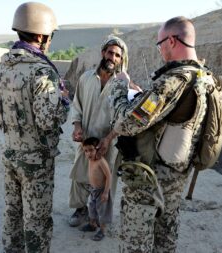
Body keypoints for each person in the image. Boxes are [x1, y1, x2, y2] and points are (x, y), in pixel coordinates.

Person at [110, 16, 215, 252]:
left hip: (151, 178)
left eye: (160, 44)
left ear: (171, 41)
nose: (160, 50)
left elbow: (126, 123)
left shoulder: (174, 80)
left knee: (135, 243)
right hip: (177, 175)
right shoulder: (205, 77)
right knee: (165, 240)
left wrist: (120, 87)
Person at [0, 2, 69, 252]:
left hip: (10, 153)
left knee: (12, 214)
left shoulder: (1, 68)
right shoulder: (42, 72)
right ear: (43, 35)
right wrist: (63, 100)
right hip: (35, 162)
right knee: (37, 222)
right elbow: (47, 120)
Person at [68, 35, 135, 227]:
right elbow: (77, 105)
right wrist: (77, 127)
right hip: (86, 139)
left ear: (122, 59)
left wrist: (109, 138)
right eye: (109, 52)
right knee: (81, 174)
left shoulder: (124, 85)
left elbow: (125, 117)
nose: (112, 58)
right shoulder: (86, 78)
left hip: (109, 142)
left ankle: (98, 216)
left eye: (117, 55)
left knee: (105, 179)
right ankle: (79, 209)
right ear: (102, 53)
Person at [78, 137, 113, 241]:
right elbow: (83, 145)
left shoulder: (100, 161)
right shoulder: (90, 158)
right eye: (86, 151)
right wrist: (80, 139)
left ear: (97, 149)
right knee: (92, 209)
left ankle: (102, 231)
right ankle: (92, 225)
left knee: (102, 212)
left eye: (91, 150)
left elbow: (109, 176)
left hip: (102, 191)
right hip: (93, 190)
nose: (88, 153)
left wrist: (106, 192)